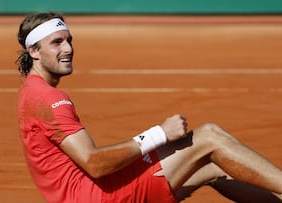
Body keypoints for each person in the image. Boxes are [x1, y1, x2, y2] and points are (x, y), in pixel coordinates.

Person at [16, 12, 282, 203]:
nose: (69, 48)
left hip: (87, 193)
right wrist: (159, 134)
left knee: (212, 168)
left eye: (69, 40)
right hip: (99, 196)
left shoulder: (31, 91)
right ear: (34, 51)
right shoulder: (50, 99)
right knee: (209, 136)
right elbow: (94, 163)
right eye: (57, 42)